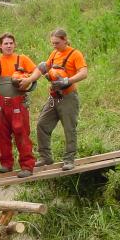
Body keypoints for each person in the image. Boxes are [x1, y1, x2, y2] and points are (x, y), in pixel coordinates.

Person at [31, 28, 88, 171]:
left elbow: (84, 73)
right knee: (42, 124)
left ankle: (69, 160)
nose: (54, 45)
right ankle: (45, 157)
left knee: (69, 129)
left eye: (57, 43)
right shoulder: (55, 53)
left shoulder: (75, 54)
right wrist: (30, 79)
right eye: (52, 43)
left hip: (68, 97)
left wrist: (68, 80)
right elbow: (45, 67)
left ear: (65, 40)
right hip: (53, 96)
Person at [0, 33, 37, 178]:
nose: (8, 46)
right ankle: (6, 164)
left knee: (22, 133)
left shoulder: (22, 59)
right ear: (0, 46)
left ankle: (27, 166)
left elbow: (37, 71)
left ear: (14, 45)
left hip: (18, 103)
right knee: (1, 133)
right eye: (5, 44)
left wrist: (28, 80)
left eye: (11, 43)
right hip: (1, 104)